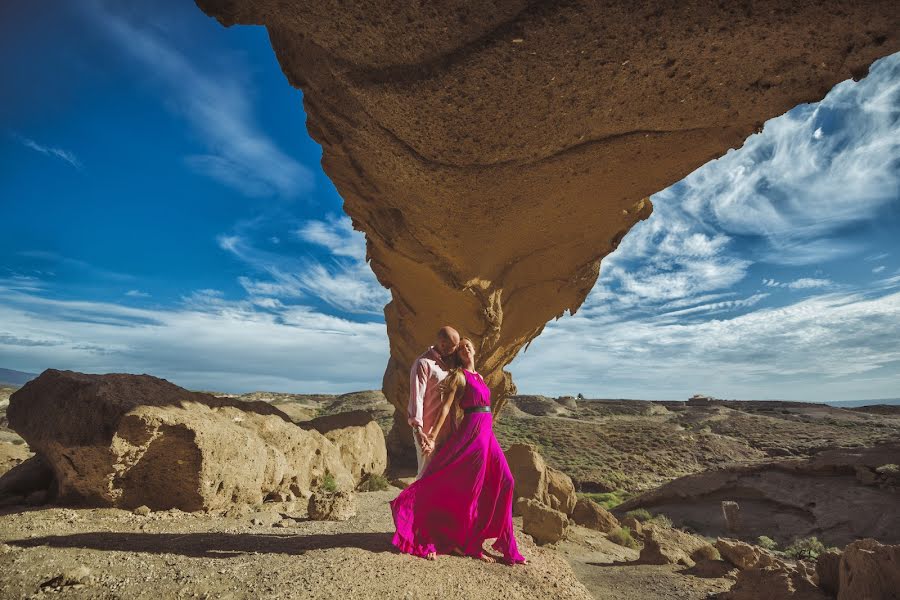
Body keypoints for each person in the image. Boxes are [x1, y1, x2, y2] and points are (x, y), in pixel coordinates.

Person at [390, 337, 527, 565]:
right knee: (470, 490)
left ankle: (506, 544)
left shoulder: (480, 377)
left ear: (474, 349)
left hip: (487, 433)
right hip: (472, 432)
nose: (466, 349)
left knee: (506, 481)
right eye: (461, 347)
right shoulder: (458, 376)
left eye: (468, 345)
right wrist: (431, 435)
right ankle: (469, 544)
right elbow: (445, 407)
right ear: (459, 354)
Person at [408, 326, 460, 479]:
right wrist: (418, 430)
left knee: (444, 477)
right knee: (425, 475)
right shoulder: (423, 364)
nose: (456, 350)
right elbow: (416, 397)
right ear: (442, 344)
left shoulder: (448, 364)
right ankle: (409, 503)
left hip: (448, 431)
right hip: (427, 431)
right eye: (454, 346)